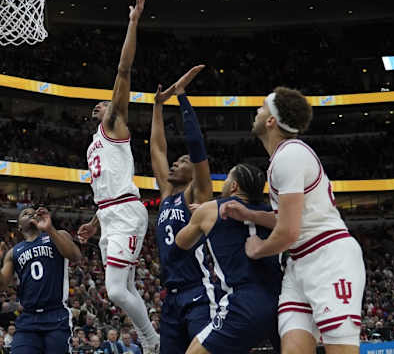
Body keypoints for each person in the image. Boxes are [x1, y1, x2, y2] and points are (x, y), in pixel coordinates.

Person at [220, 87, 366, 353]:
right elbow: (288, 220)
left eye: (262, 107)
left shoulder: (290, 155)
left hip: (328, 258)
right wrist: (251, 215)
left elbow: (288, 232)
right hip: (299, 262)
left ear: (271, 120)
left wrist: (257, 249)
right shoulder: (283, 158)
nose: (257, 111)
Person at [76, 0, 159, 354]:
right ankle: (153, 339)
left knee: (113, 289)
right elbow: (105, 185)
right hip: (108, 214)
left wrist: (133, 22)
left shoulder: (115, 124)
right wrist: (95, 223)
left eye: (107, 100)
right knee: (123, 289)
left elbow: (123, 70)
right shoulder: (94, 143)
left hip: (125, 212)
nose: (101, 103)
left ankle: (151, 339)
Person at [175, 164, 282, 354]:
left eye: (225, 180)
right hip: (281, 302)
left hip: (244, 303)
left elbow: (181, 242)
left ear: (233, 186)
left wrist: (199, 218)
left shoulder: (210, 210)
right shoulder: (274, 215)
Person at [150, 65, 217, 353]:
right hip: (171, 297)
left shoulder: (197, 190)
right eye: (175, 161)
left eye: (183, 161)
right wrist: (157, 106)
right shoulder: (167, 195)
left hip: (198, 292)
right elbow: (157, 147)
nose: (176, 163)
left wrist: (182, 98)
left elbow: (197, 147)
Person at [0, 207, 81, 353]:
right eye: (25, 213)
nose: (30, 213)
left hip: (55, 314)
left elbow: (75, 256)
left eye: (33, 212)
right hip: (28, 318)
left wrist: (49, 229)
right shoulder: (13, 252)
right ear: (19, 226)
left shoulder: (57, 235)